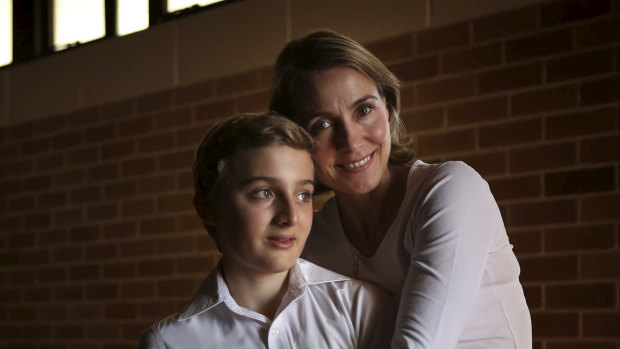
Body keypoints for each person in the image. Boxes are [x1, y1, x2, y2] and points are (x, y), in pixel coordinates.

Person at [269, 30, 532, 348]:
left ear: (388, 108)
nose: (351, 142)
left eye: (363, 110)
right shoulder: (315, 237)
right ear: (298, 143)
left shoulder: (451, 190)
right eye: (322, 125)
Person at [136, 112, 395, 349]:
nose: (291, 216)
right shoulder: (168, 343)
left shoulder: (361, 309)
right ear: (210, 208)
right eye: (263, 193)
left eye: (303, 195)